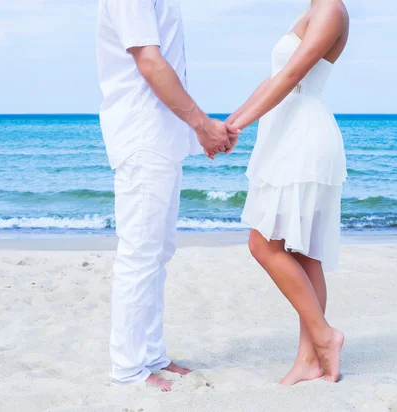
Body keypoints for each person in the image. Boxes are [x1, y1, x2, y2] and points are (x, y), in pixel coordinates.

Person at [96, 0, 240, 392]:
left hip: (162, 138)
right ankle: (127, 369)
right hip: (143, 136)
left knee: (158, 252)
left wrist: (196, 128)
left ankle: (152, 354)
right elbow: (149, 61)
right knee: (140, 254)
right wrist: (201, 124)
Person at [227, 0, 349, 385]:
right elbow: (273, 78)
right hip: (284, 134)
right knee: (300, 252)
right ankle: (309, 359)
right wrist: (230, 124)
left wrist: (239, 126)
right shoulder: (306, 12)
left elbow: (293, 75)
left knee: (264, 245)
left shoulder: (331, 9)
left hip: (304, 136)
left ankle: (326, 336)